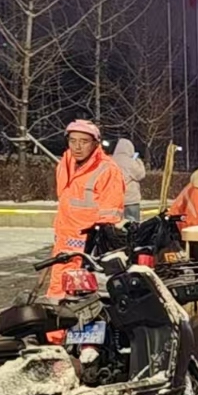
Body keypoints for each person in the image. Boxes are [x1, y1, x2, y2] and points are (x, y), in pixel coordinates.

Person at [50, 120, 125, 301]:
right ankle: (57, 330)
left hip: (86, 248)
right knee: (57, 297)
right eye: (73, 140)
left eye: (84, 141)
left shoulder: (107, 169)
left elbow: (110, 215)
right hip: (64, 244)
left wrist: (97, 246)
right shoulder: (65, 163)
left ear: (95, 144)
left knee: (80, 299)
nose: (77, 146)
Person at [111, 139, 146, 224]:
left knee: (117, 225)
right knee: (132, 225)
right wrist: (138, 160)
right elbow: (140, 174)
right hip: (131, 199)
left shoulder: (111, 161)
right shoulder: (130, 162)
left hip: (114, 199)